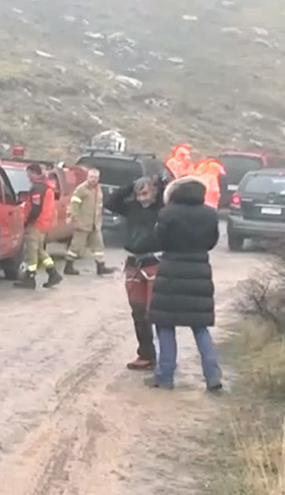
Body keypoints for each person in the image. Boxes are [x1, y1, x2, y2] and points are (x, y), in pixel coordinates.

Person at [146, 176, 223, 392]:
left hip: (171, 270)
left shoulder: (168, 212)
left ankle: (165, 377)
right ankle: (213, 376)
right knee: (200, 327)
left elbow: (159, 240)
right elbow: (212, 242)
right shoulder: (210, 213)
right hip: (199, 270)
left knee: (165, 325)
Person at [106, 175, 167, 370]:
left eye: (145, 193)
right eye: (138, 194)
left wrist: (162, 184)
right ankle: (146, 354)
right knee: (138, 312)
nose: (141, 197)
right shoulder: (131, 208)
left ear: (154, 193)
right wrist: (131, 185)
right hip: (134, 263)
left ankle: (166, 358)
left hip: (154, 262)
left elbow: (169, 197)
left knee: (155, 312)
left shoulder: (162, 209)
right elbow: (111, 202)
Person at [16, 163, 62, 289]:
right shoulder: (46, 187)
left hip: (36, 223)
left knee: (31, 250)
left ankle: (30, 278)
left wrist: (28, 220)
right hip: (44, 223)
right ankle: (53, 273)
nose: (28, 177)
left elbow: (35, 207)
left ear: (33, 173)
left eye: (29, 174)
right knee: (40, 250)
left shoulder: (38, 187)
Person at [64, 168, 110, 276]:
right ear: (87, 177)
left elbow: (99, 206)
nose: (93, 180)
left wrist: (99, 220)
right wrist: (74, 219)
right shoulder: (81, 189)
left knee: (98, 245)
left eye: (96, 178)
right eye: (91, 177)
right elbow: (74, 205)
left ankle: (101, 266)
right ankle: (68, 266)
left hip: (94, 224)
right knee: (76, 246)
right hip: (82, 223)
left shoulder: (98, 189)